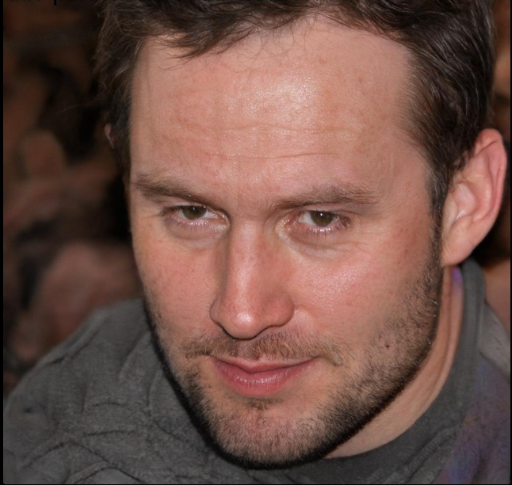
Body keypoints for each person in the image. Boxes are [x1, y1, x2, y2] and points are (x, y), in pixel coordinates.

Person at [3, 1, 510, 483]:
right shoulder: (68, 447)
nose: (241, 314)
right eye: (192, 212)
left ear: (464, 202)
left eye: (320, 218)